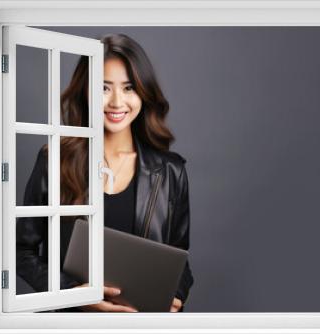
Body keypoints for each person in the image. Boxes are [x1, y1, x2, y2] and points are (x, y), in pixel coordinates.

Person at [16, 33, 194, 312]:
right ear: (84, 91)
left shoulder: (171, 171)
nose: (116, 102)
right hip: (73, 326)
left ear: (144, 93)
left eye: (129, 88)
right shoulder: (55, 160)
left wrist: (177, 295)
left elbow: (179, 260)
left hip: (143, 325)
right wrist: (73, 293)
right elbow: (20, 252)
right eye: (104, 88)